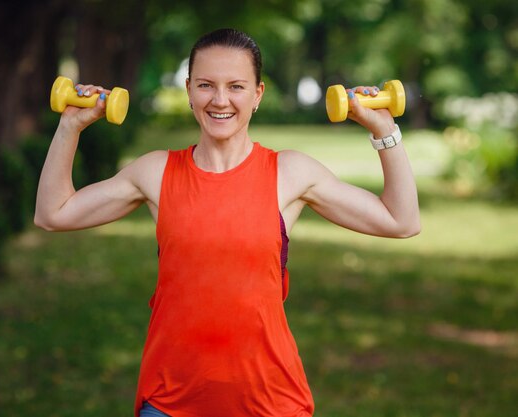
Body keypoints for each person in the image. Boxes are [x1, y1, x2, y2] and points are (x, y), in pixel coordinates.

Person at [35, 28, 420, 417]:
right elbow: (54, 214)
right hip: (171, 402)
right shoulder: (156, 172)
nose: (220, 100)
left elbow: (400, 220)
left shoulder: (289, 172)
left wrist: (384, 130)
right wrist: (70, 126)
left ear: (258, 95)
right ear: (188, 90)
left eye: (236, 86)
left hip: (270, 402)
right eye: (205, 85)